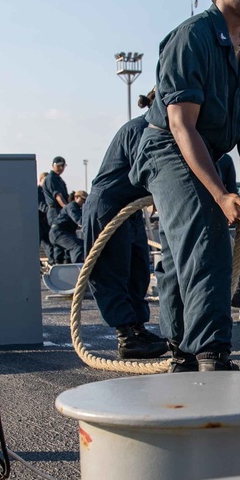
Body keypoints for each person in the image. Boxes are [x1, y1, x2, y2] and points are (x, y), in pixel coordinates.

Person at [129, 0, 240, 372]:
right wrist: (221, 196)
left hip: (209, 148)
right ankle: (212, 353)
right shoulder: (191, 38)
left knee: (177, 253)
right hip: (169, 146)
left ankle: (182, 351)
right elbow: (180, 125)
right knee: (206, 233)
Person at [80, 107, 165, 361]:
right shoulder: (140, 130)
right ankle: (126, 337)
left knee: (137, 271)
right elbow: (147, 171)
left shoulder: (153, 130)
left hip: (130, 208)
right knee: (112, 271)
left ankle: (138, 329)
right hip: (109, 206)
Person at [42, 157, 69, 264]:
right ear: (53, 165)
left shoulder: (58, 179)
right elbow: (58, 196)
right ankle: (58, 262)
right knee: (58, 237)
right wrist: (67, 209)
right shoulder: (51, 179)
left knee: (64, 235)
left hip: (59, 210)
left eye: (63, 166)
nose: (61, 168)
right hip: (55, 211)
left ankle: (63, 261)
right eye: (59, 166)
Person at [50, 190, 87, 264]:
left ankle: (63, 266)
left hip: (62, 233)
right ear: (76, 197)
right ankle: (77, 267)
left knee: (63, 257)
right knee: (78, 246)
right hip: (59, 232)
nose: (84, 202)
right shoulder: (72, 206)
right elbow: (79, 220)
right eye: (83, 199)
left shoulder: (77, 208)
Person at [36, 174, 51, 256]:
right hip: (39, 220)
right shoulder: (38, 191)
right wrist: (48, 210)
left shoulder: (48, 191)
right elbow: (40, 204)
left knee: (49, 243)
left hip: (46, 221)